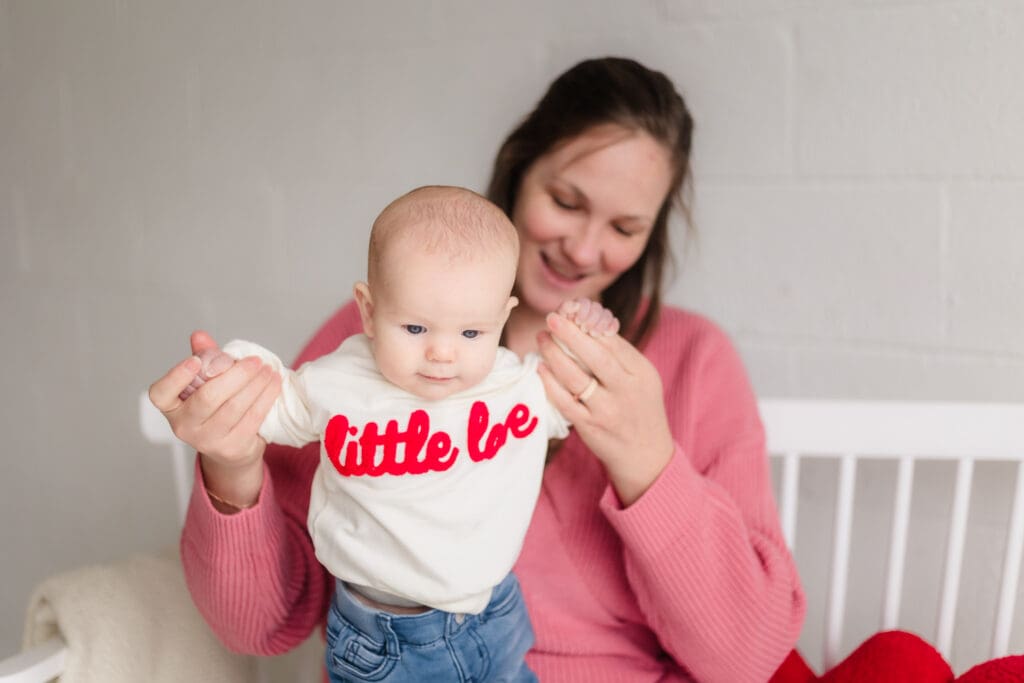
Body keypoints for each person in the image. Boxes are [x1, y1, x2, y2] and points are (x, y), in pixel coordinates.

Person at [150, 57, 806, 682]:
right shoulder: (375, 349)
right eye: (567, 200)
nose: (582, 249)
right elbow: (258, 625)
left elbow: (746, 659)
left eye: (625, 227)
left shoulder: (693, 360)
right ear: (519, 170)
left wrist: (649, 460)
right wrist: (232, 471)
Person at [169, 185, 619, 683]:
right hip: (384, 637)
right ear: (368, 309)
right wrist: (220, 375)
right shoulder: (340, 382)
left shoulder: (513, 385)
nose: (443, 353)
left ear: (501, 319)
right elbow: (268, 398)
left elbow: (577, 389)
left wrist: (589, 332)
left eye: (471, 333)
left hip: (495, 614)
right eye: (415, 328)